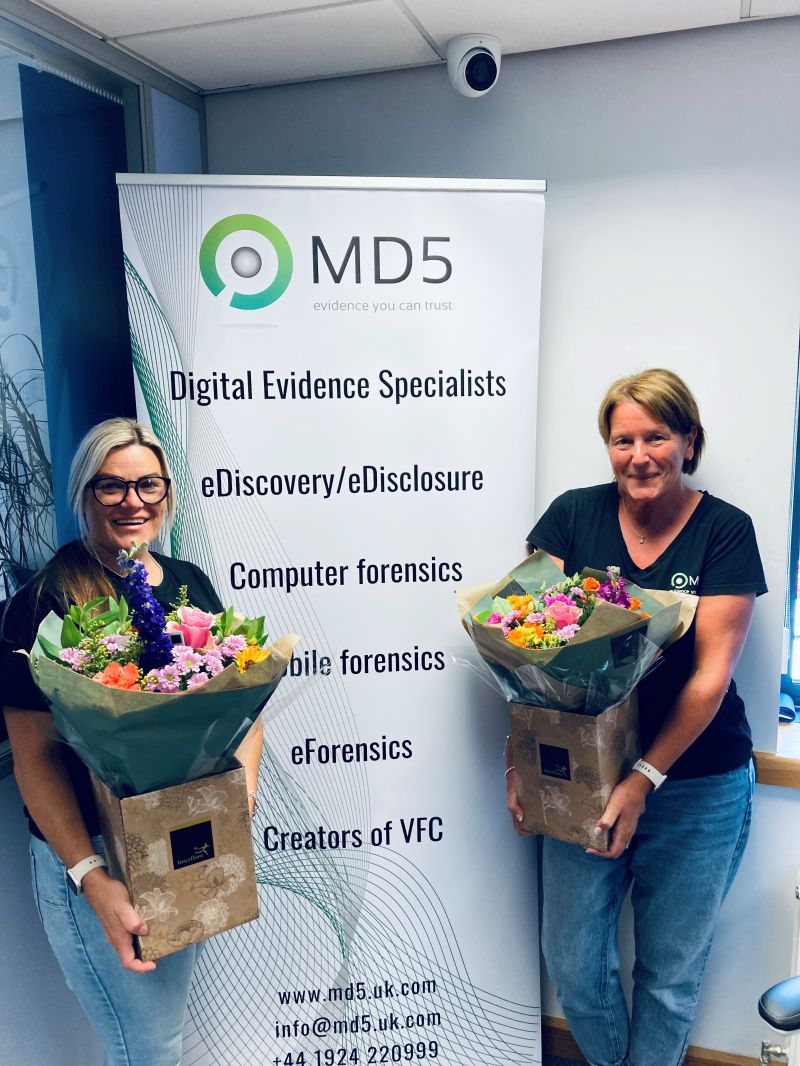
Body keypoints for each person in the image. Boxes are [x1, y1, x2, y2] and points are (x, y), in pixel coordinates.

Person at [507, 369, 766, 1066]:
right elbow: (525, 645)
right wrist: (520, 763)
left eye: (657, 437)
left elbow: (709, 679)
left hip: (698, 785)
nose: (639, 455)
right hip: (584, 778)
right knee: (572, 960)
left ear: (690, 442)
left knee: (670, 978)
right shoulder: (572, 517)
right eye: (623, 440)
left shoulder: (724, 531)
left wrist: (643, 779)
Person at [0, 417, 263, 1066]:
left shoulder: (188, 583)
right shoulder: (44, 603)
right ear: (83, 495)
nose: (132, 501)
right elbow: (36, 758)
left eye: (148, 484)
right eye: (111, 486)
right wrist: (93, 879)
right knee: (146, 1048)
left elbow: (245, 707)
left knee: (159, 1042)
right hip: (94, 859)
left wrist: (238, 803)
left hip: (181, 843)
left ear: (167, 491)